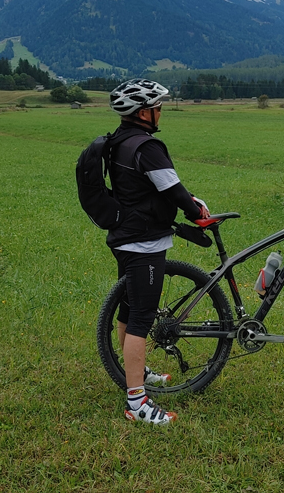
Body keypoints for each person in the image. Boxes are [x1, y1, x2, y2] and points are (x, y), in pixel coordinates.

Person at [105, 78, 210, 425]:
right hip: (143, 241)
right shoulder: (146, 146)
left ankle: (135, 371)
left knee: (128, 309)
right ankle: (137, 402)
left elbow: (154, 187)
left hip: (125, 234)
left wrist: (188, 201)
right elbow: (173, 190)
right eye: (157, 107)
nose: (160, 111)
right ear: (143, 112)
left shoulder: (119, 140)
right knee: (140, 319)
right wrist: (198, 214)